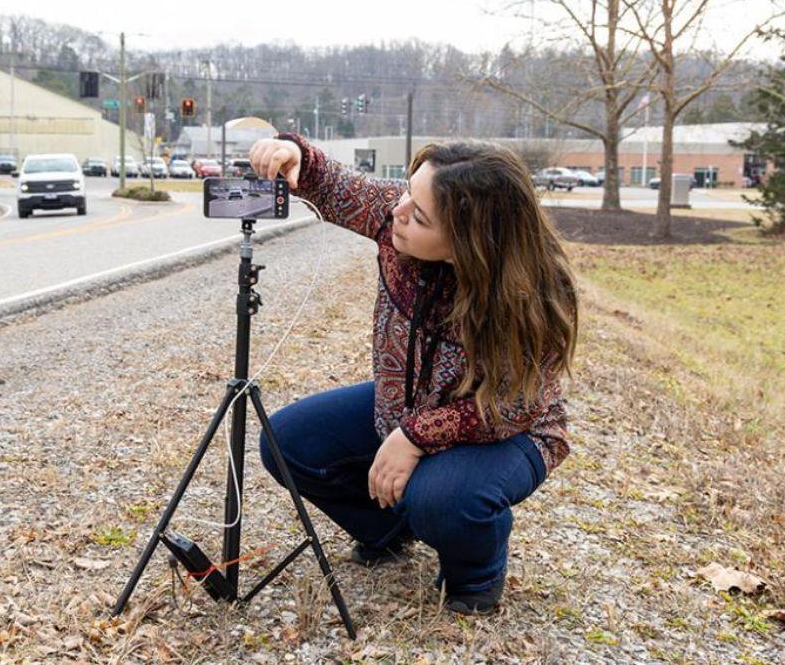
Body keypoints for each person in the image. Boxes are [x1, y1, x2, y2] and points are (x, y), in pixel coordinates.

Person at [248, 133, 578, 616]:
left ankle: (476, 572)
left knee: (442, 499)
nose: (398, 211)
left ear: (468, 243)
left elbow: (515, 406)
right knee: (287, 442)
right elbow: (341, 186)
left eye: (419, 216)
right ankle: (386, 529)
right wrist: (298, 157)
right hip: (402, 409)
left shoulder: (532, 294)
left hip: (511, 434)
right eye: (406, 192)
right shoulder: (398, 219)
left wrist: (415, 437)